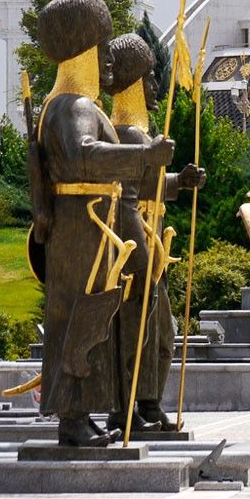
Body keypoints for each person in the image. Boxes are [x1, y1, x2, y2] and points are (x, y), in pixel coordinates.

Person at [33, 0, 175, 446]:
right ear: (83, 48)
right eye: (102, 43)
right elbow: (83, 155)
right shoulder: (73, 106)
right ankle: (72, 417)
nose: (108, 58)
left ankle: (79, 415)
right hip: (83, 224)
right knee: (80, 317)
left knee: (88, 318)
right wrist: (144, 154)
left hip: (89, 223)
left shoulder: (74, 104)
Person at [102, 33, 205, 432]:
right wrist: (141, 262)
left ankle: (148, 404)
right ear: (130, 83)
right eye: (148, 77)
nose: (155, 87)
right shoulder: (127, 134)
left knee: (161, 334)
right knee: (135, 333)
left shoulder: (139, 137)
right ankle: (126, 408)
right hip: (135, 254)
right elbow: (125, 199)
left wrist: (180, 181)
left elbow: (149, 187)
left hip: (152, 250)